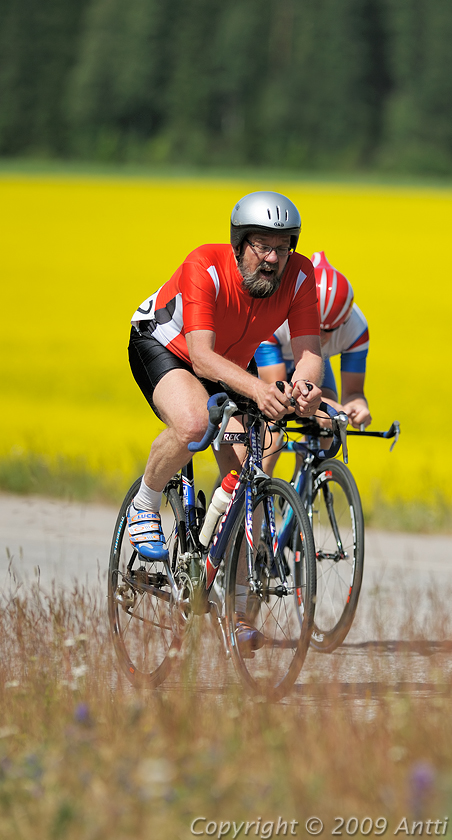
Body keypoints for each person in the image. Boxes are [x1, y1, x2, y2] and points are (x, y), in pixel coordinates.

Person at [127, 191, 323, 648]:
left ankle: (234, 612)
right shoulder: (205, 266)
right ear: (239, 243)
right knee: (194, 423)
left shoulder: (300, 276)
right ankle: (146, 502)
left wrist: (306, 388)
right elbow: (200, 356)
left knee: (245, 476)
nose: (272, 258)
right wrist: (258, 388)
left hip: (231, 363)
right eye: (261, 246)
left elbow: (310, 353)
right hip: (166, 347)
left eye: (282, 246)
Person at [256, 251, 371, 470]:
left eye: (331, 330)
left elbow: (354, 393)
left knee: (329, 425)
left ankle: (306, 490)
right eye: (316, 328)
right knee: (273, 431)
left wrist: (358, 407)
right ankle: (261, 496)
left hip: (312, 362)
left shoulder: (356, 329)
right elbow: (278, 396)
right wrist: (324, 407)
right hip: (273, 354)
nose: (321, 337)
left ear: (344, 321)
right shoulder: (276, 318)